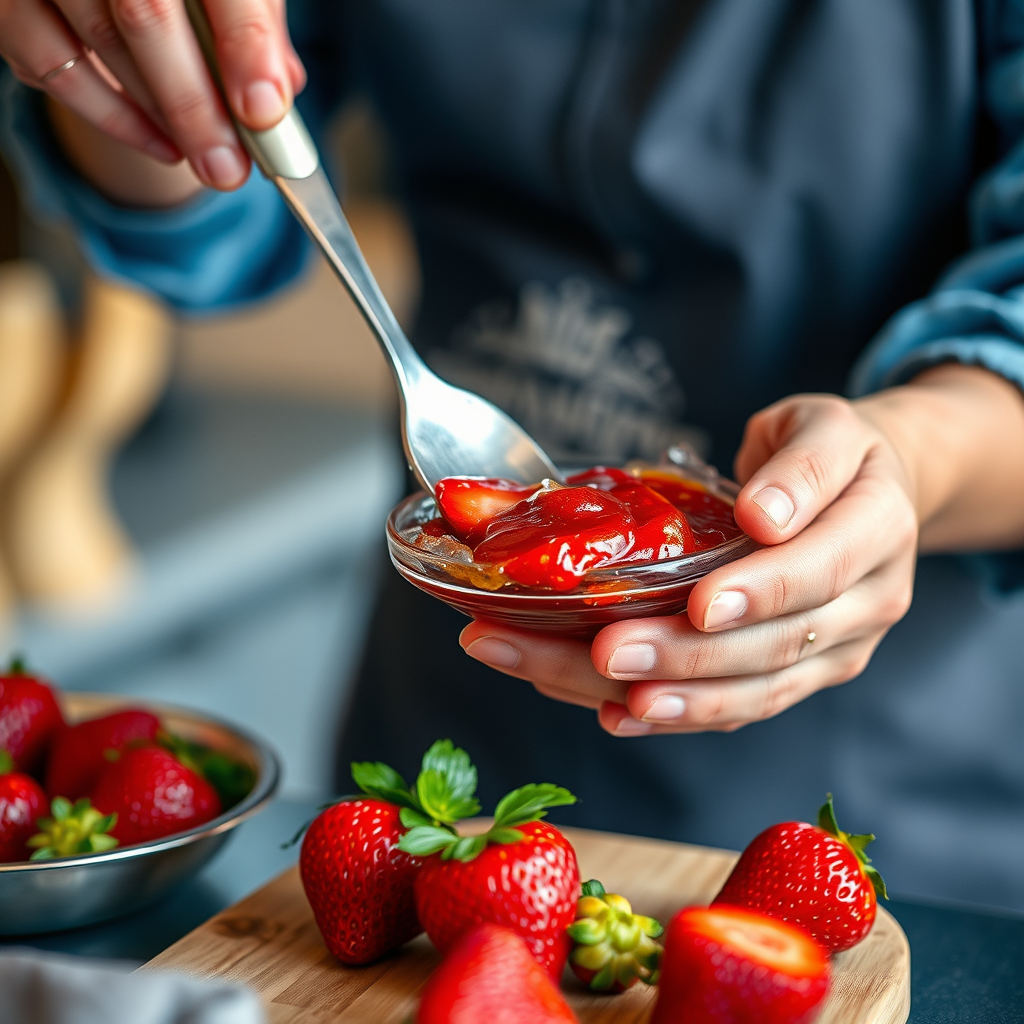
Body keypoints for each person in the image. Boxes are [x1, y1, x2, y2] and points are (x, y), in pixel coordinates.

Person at [2, 0, 1023, 909]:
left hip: (889, 811)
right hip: (446, 744)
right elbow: (211, 214)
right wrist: (133, 56)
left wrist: (908, 459)